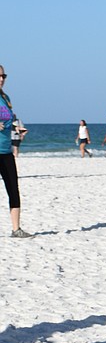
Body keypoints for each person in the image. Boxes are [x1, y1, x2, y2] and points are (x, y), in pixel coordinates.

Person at [0, 65, 32, 238]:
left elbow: (9, 120)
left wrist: (17, 128)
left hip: (6, 150)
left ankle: (16, 229)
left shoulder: (6, 98)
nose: (1, 79)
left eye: (3, 76)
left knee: (13, 188)